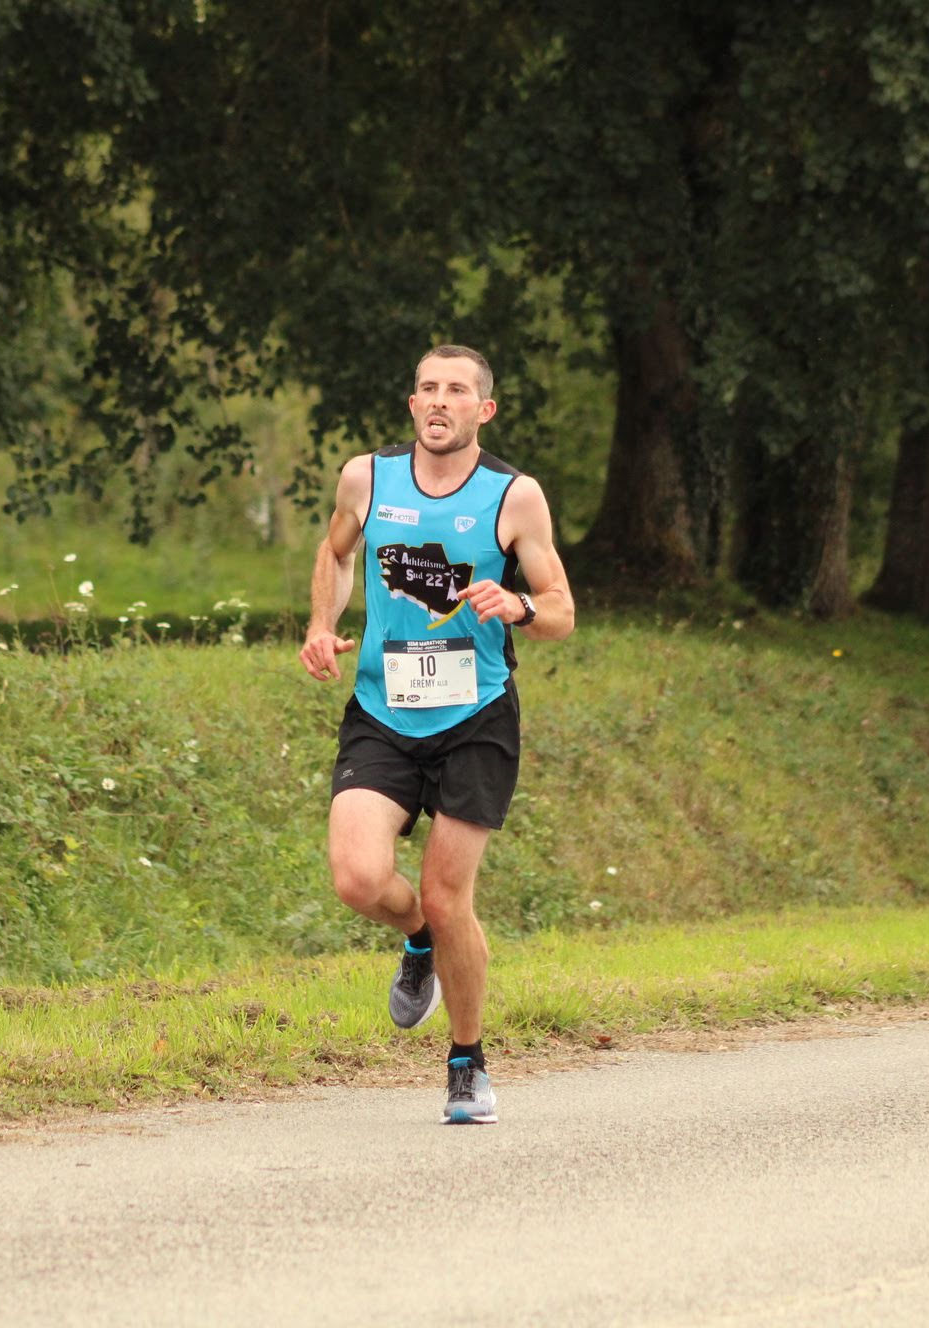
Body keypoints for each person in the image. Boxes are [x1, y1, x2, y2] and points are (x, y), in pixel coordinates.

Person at [298, 344, 575, 1124]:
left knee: (451, 898)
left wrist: (519, 606)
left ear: (483, 409)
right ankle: (416, 935)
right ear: (413, 404)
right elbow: (335, 551)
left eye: (456, 390)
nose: (440, 401)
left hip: (474, 718)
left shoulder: (514, 497)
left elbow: (560, 608)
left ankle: (466, 1062)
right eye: (428, 388)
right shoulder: (367, 478)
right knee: (358, 879)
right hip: (383, 709)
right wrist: (320, 624)